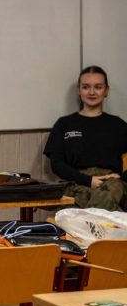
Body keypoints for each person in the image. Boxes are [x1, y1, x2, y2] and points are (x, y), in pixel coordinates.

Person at [44, 65, 127, 210]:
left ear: (106, 90)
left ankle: (89, 220)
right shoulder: (64, 124)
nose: (92, 92)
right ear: (79, 90)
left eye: (98, 87)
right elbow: (56, 164)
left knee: (112, 190)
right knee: (67, 198)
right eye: (86, 87)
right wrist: (88, 180)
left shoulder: (118, 125)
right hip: (75, 183)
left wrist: (121, 178)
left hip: (110, 184)